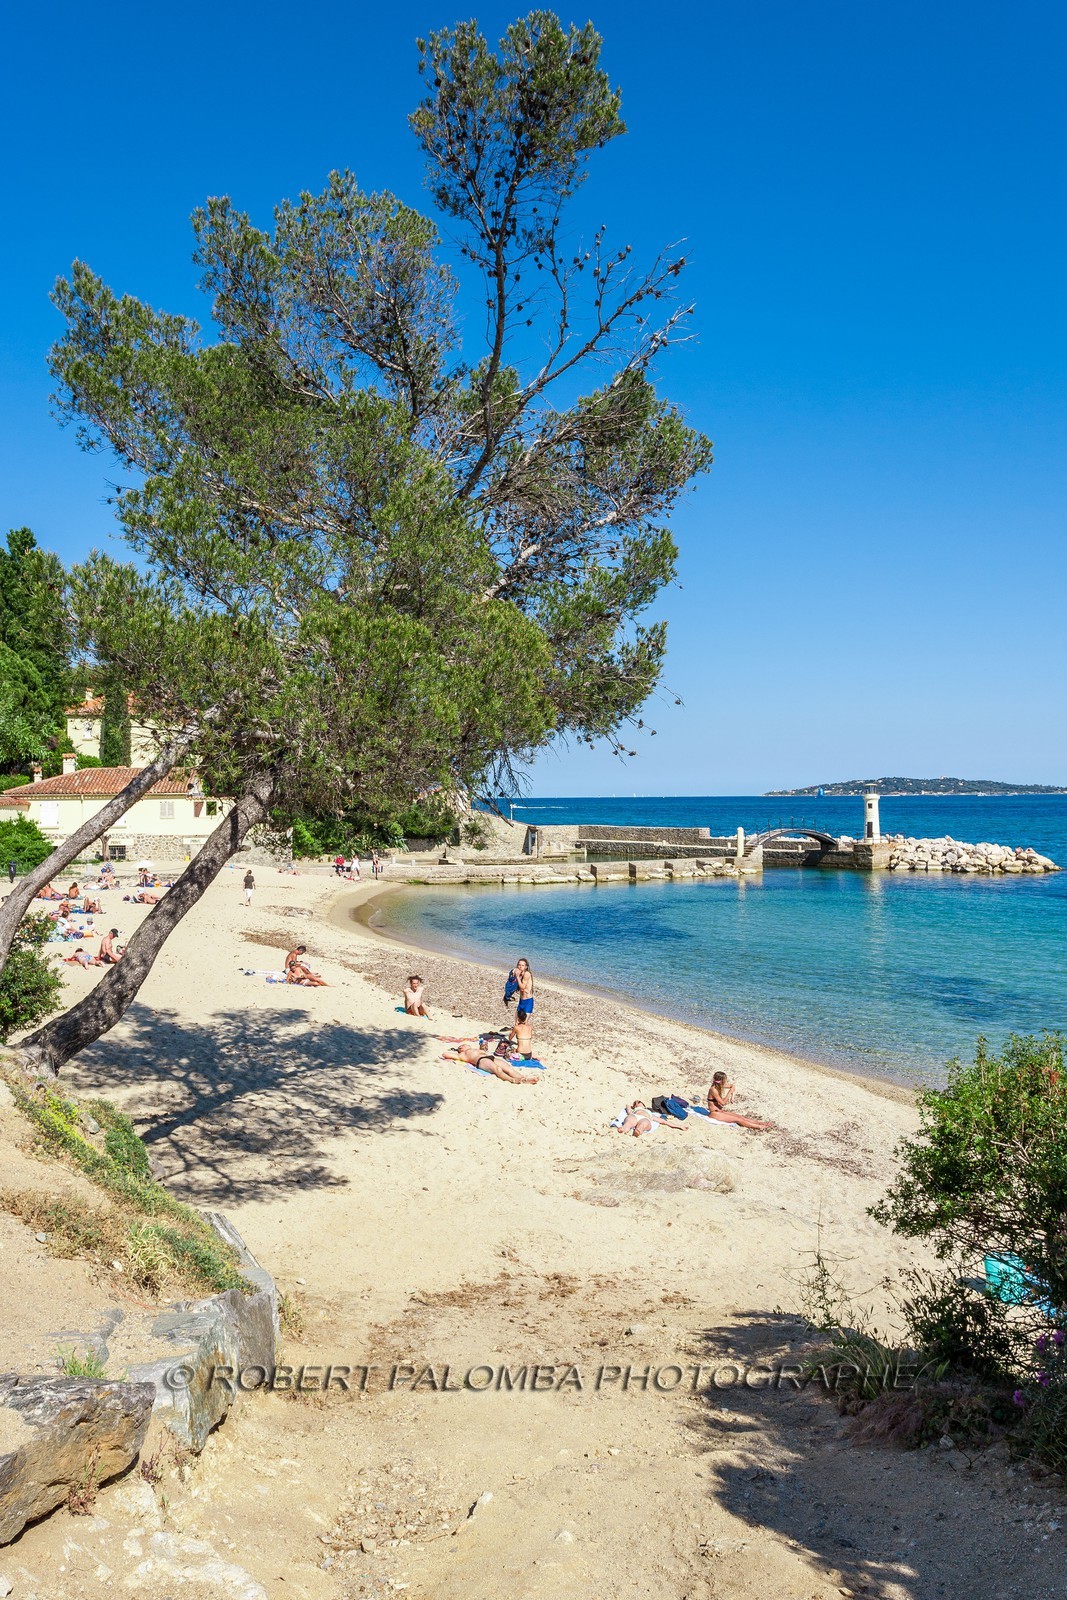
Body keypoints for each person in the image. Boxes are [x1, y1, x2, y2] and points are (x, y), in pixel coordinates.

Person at [443, 1041, 540, 1085]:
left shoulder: (474, 1049)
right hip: (481, 1061)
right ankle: (513, 1080)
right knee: (498, 1070)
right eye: (464, 1044)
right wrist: (457, 1053)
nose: (467, 1044)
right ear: (461, 1048)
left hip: (490, 1057)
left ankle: (523, 1078)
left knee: (508, 1068)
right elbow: (445, 1054)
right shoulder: (463, 1054)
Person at [707, 1071, 772, 1130]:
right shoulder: (713, 1090)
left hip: (719, 1111)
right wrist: (730, 1092)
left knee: (740, 1117)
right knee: (738, 1119)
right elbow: (723, 1103)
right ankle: (759, 1127)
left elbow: (732, 1086)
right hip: (714, 1114)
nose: (725, 1082)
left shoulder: (719, 1086)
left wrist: (733, 1096)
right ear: (721, 1081)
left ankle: (760, 1123)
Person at [514, 958, 534, 1024]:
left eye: (522, 965)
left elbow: (522, 988)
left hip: (528, 1001)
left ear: (526, 967)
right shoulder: (519, 973)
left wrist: (517, 977)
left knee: (524, 1022)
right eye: (519, 965)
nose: (520, 967)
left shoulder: (527, 974)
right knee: (516, 1022)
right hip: (521, 1000)